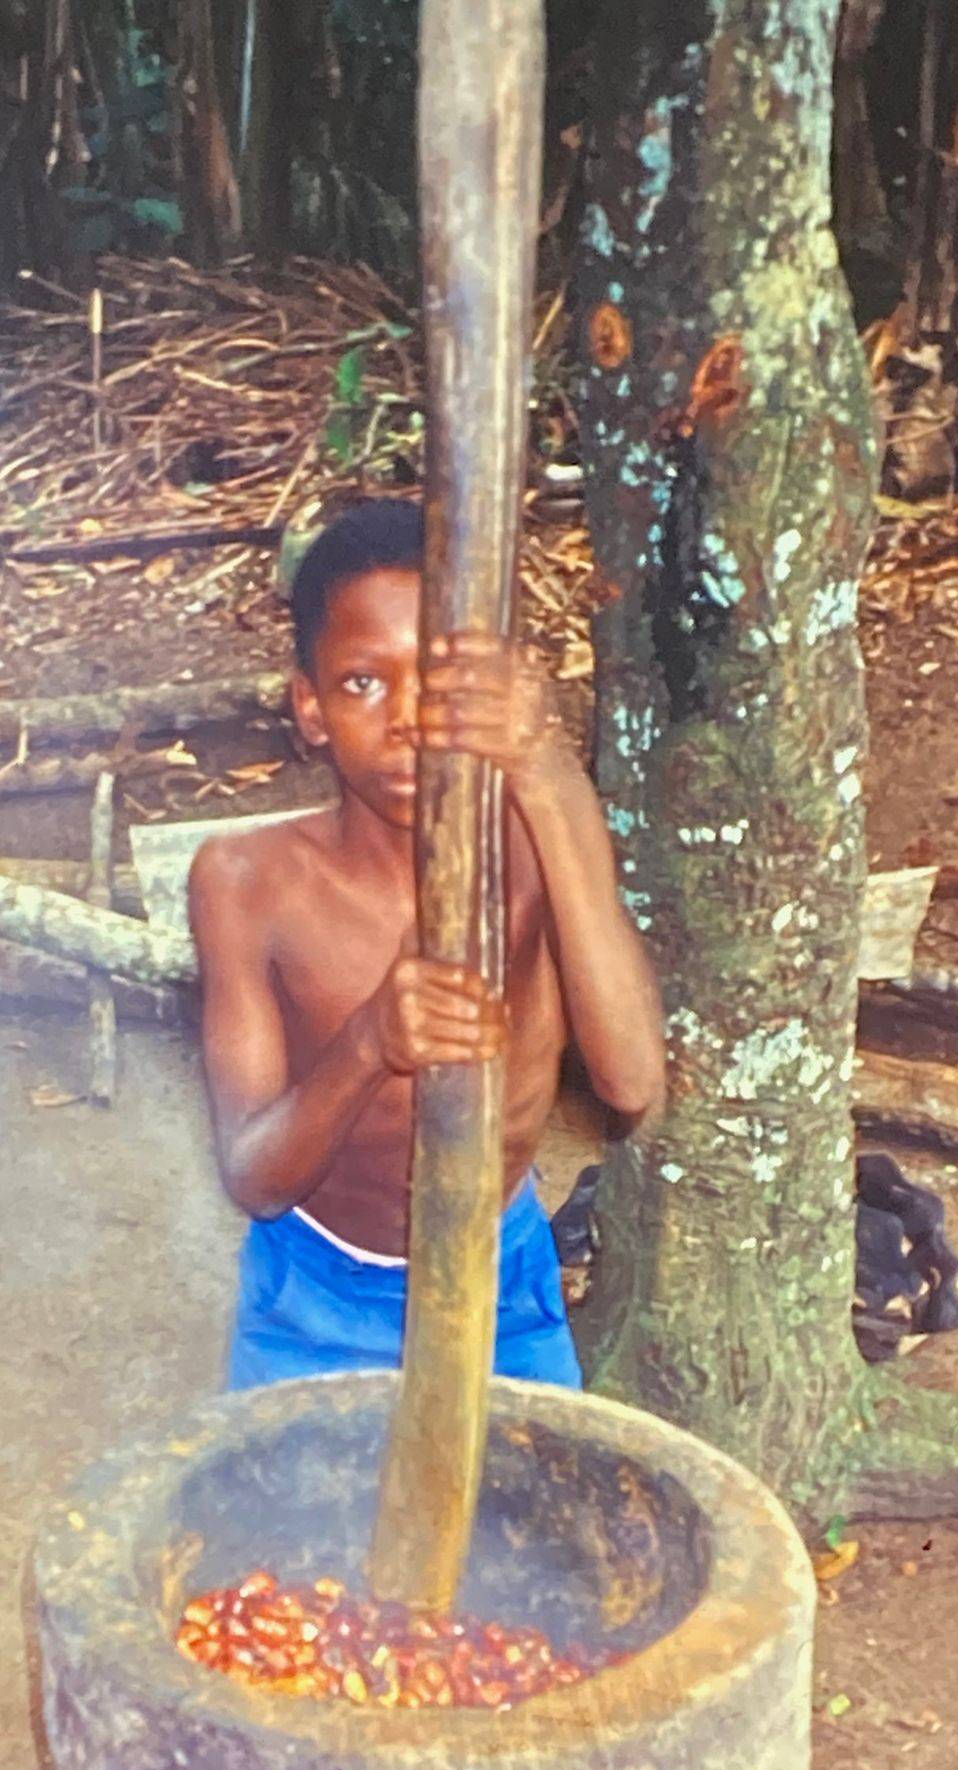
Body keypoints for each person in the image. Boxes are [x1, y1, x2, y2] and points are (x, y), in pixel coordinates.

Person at [188, 498, 665, 1391]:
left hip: (501, 1286)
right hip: (312, 1299)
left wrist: (546, 772)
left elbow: (632, 1083)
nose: (407, 718)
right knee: (280, 1525)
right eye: (364, 682)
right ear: (311, 707)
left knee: (529, 1522)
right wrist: (368, 1044)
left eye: (440, 684)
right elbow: (255, 1178)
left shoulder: (535, 843)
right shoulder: (245, 883)